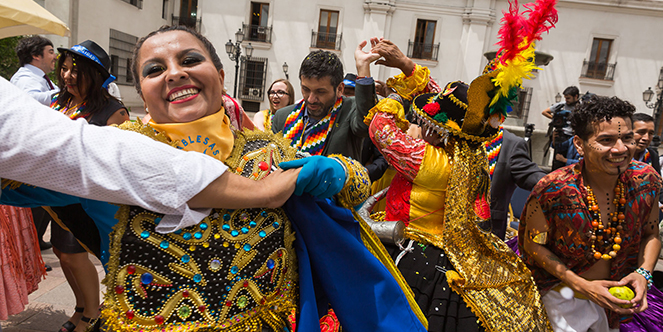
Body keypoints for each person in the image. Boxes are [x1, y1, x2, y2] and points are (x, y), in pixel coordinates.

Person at [3, 26, 427, 332]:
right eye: (155, 69)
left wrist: (335, 168)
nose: (174, 73)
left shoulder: (266, 151)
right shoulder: (108, 152)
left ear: (221, 78)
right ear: (143, 91)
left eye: (189, 60)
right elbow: (15, 177)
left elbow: (353, 188)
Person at [363, 10, 555, 328]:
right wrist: (406, 67)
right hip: (446, 255)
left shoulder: (427, 160)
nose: (420, 123)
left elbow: (380, 130)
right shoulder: (471, 151)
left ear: (439, 130)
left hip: (412, 252)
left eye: (425, 121)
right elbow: (449, 105)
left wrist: (393, 101)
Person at [519, 95, 662, 331]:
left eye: (627, 138)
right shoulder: (552, 189)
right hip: (561, 300)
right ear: (578, 144)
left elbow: (651, 233)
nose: (621, 148)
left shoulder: (647, 180)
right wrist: (580, 284)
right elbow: (533, 245)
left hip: (619, 307)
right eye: (606, 140)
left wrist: (643, 273)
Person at [44, 40, 129, 332]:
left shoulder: (113, 111)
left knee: (77, 254)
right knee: (62, 254)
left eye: (75, 71)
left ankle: (93, 313)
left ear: (94, 75)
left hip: (88, 201)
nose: (67, 76)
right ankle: (81, 306)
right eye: (64, 68)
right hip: (55, 196)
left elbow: (113, 161)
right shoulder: (60, 102)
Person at [271, 49, 376, 161]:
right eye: (305, 89)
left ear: (340, 89)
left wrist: (363, 66)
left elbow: (365, 126)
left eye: (320, 92)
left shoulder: (350, 110)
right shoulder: (282, 117)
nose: (311, 99)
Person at [10, 35, 60, 252]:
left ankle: (37, 241)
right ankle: (30, 248)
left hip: (40, 145)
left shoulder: (42, 79)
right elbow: (32, 100)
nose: (55, 56)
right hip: (29, 148)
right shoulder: (25, 78)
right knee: (36, 201)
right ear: (35, 56)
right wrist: (67, 91)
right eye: (50, 51)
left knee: (44, 198)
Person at [486, 128, 546, 240]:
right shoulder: (450, 137)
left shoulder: (510, 144)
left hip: (487, 234)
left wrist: (562, 182)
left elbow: (531, 175)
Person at [10, 36, 59, 106]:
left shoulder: (40, 77)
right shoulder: (24, 77)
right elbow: (30, 99)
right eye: (51, 52)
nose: (55, 57)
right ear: (36, 55)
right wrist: (64, 94)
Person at [543, 86, 580, 170]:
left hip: (574, 137)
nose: (567, 100)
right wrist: (557, 120)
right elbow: (545, 112)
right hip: (561, 136)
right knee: (557, 161)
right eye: (565, 98)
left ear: (576, 96)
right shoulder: (561, 106)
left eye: (568, 98)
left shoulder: (581, 107)